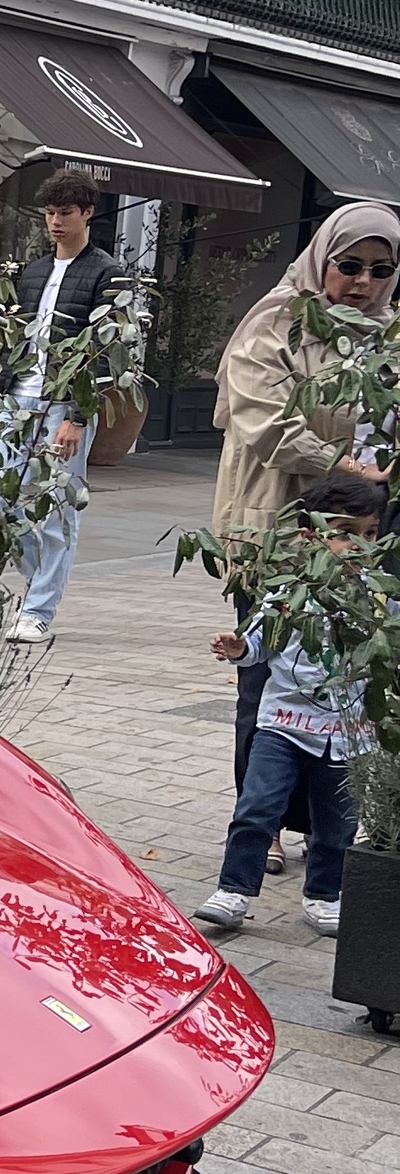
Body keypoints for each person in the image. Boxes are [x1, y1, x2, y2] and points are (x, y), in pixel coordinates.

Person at [212, 200, 400, 853]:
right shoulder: (274, 324)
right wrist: (347, 463)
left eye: (381, 269)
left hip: (364, 540)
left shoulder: (391, 337)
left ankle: (330, 827)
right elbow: (266, 422)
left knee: (349, 680)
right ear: (323, 258)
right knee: (265, 674)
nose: (363, 281)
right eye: (349, 264)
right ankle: (258, 825)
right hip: (275, 525)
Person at [195, 471, 387, 937]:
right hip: (282, 727)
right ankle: (233, 890)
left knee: (337, 823)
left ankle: (324, 895)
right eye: (345, 533)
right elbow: (260, 643)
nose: (359, 545)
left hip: (348, 737)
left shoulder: (381, 598)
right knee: (257, 808)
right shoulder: (287, 595)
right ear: (310, 536)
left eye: (370, 533)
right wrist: (239, 649)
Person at [0, 169, 123, 646]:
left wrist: (77, 416)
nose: (55, 221)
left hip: (63, 405)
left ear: (87, 214)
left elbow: (109, 353)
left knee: (57, 510)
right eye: (49, 212)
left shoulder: (108, 274)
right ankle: (39, 582)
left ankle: (38, 609)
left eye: (65, 213)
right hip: (18, 400)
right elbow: (15, 341)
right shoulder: (31, 272)